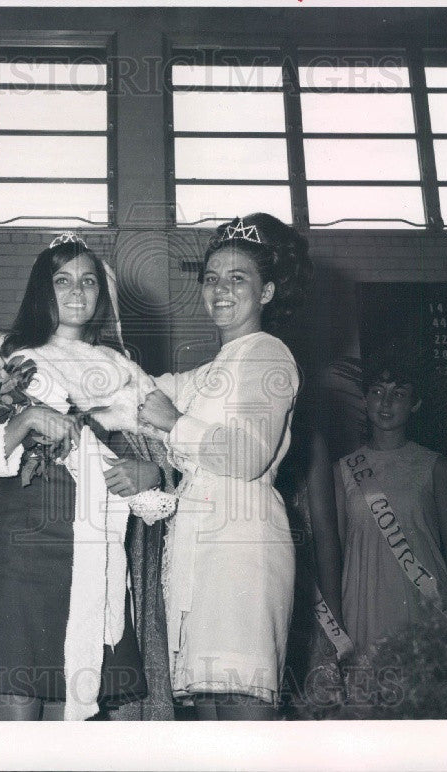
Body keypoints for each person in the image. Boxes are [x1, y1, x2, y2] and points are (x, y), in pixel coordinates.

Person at [0, 234, 175, 722]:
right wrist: (25, 422)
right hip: (20, 550)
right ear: (40, 289)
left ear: (102, 294)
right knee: (17, 696)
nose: (77, 292)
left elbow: (172, 459)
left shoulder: (124, 372)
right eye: (63, 280)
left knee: (78, 711)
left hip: (98, 553)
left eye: (88, 281)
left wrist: (151, 471)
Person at [138, 212, 313, 720]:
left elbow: (248, 455)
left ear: (267, 292)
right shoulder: (211, 369)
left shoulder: (268, 353)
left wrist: (175, 424)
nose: (220, 290)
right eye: (211, 279)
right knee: (210, 712)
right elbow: (136, 393)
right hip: (200, 545)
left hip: (243, 544)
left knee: (241, 705)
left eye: (238, 279)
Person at [334, 352, 447, 654]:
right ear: (365, 399)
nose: (385, 403)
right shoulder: (344, 469)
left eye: (398, 394)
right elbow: (338, 548)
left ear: (415, 404)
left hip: (421, 602)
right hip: (362, 602)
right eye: (377, 391)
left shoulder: (436, 467)